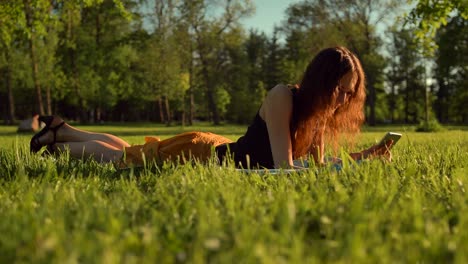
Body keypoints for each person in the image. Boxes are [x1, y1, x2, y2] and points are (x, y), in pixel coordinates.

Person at [30, 46, 392, 169]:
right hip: (204, 155)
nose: (344, 100)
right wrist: (340, 169)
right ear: (322, 82)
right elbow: (286, 168)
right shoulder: (285, 96)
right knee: (127, 158)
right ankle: (57, 145)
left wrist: (368, 155)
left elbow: (315, 166)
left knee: (132, 151)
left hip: (221, 146)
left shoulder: (317, 117)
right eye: (341, 91)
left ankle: (63, 130)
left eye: (350, 94)